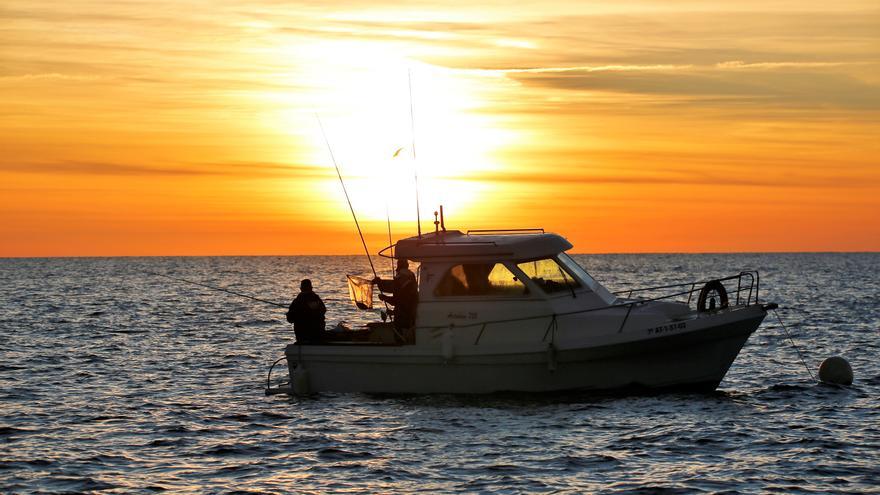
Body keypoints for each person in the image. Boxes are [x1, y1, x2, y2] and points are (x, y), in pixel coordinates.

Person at [373, 258, 419, 342]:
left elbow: (395, 295)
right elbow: (399, 301)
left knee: (400, 339)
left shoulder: (403, 277)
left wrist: (379, 283)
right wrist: (393, 312)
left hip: (405, 320)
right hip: (410, 316)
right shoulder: (410, 276)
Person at [286, 279, 326, 344]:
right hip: (318, 335)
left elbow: (290, 319)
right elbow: (323, 310)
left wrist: (288, 314)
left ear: (301, 288)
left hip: (303, 337)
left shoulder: (297, 301)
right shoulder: (317, 299)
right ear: (311, 288)